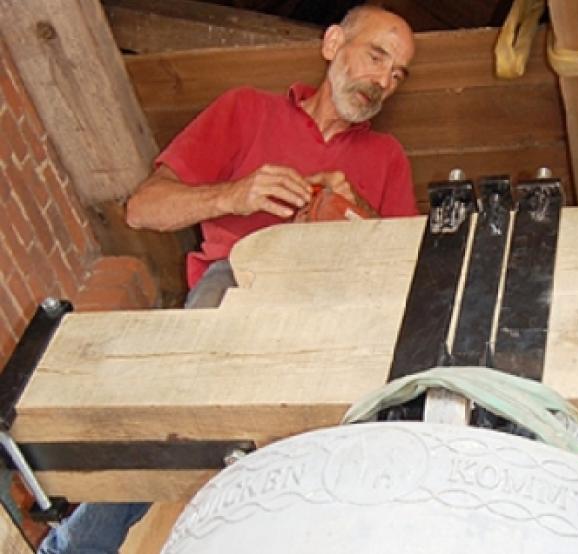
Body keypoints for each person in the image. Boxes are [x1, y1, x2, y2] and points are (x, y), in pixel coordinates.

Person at [39, 5, 416, 553]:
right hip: (235, 287)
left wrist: (354, 213)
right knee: (173, 419)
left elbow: (407, 271)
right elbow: (143, 209)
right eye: (376, 56)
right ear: (333, 43)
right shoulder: (246, 109)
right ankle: (74, 549)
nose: (383, 80)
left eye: (398, 73)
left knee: (333, 462)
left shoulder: (387, 157)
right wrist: (235, 194)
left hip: (330, 316)